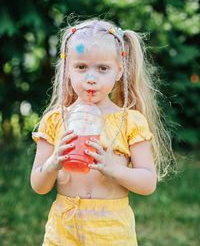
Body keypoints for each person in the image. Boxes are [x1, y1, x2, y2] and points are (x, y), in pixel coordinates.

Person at [31, 18, 174, 245]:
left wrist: (111, 168)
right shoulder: (55, 119)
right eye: (81, 67)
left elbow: (148, 183)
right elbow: (38, 185)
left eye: (103, 69)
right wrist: (54, 162)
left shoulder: (130, 121)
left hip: (112, 231)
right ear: (67, 69)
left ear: (119, 71)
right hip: (62, 230)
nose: (91, 78)